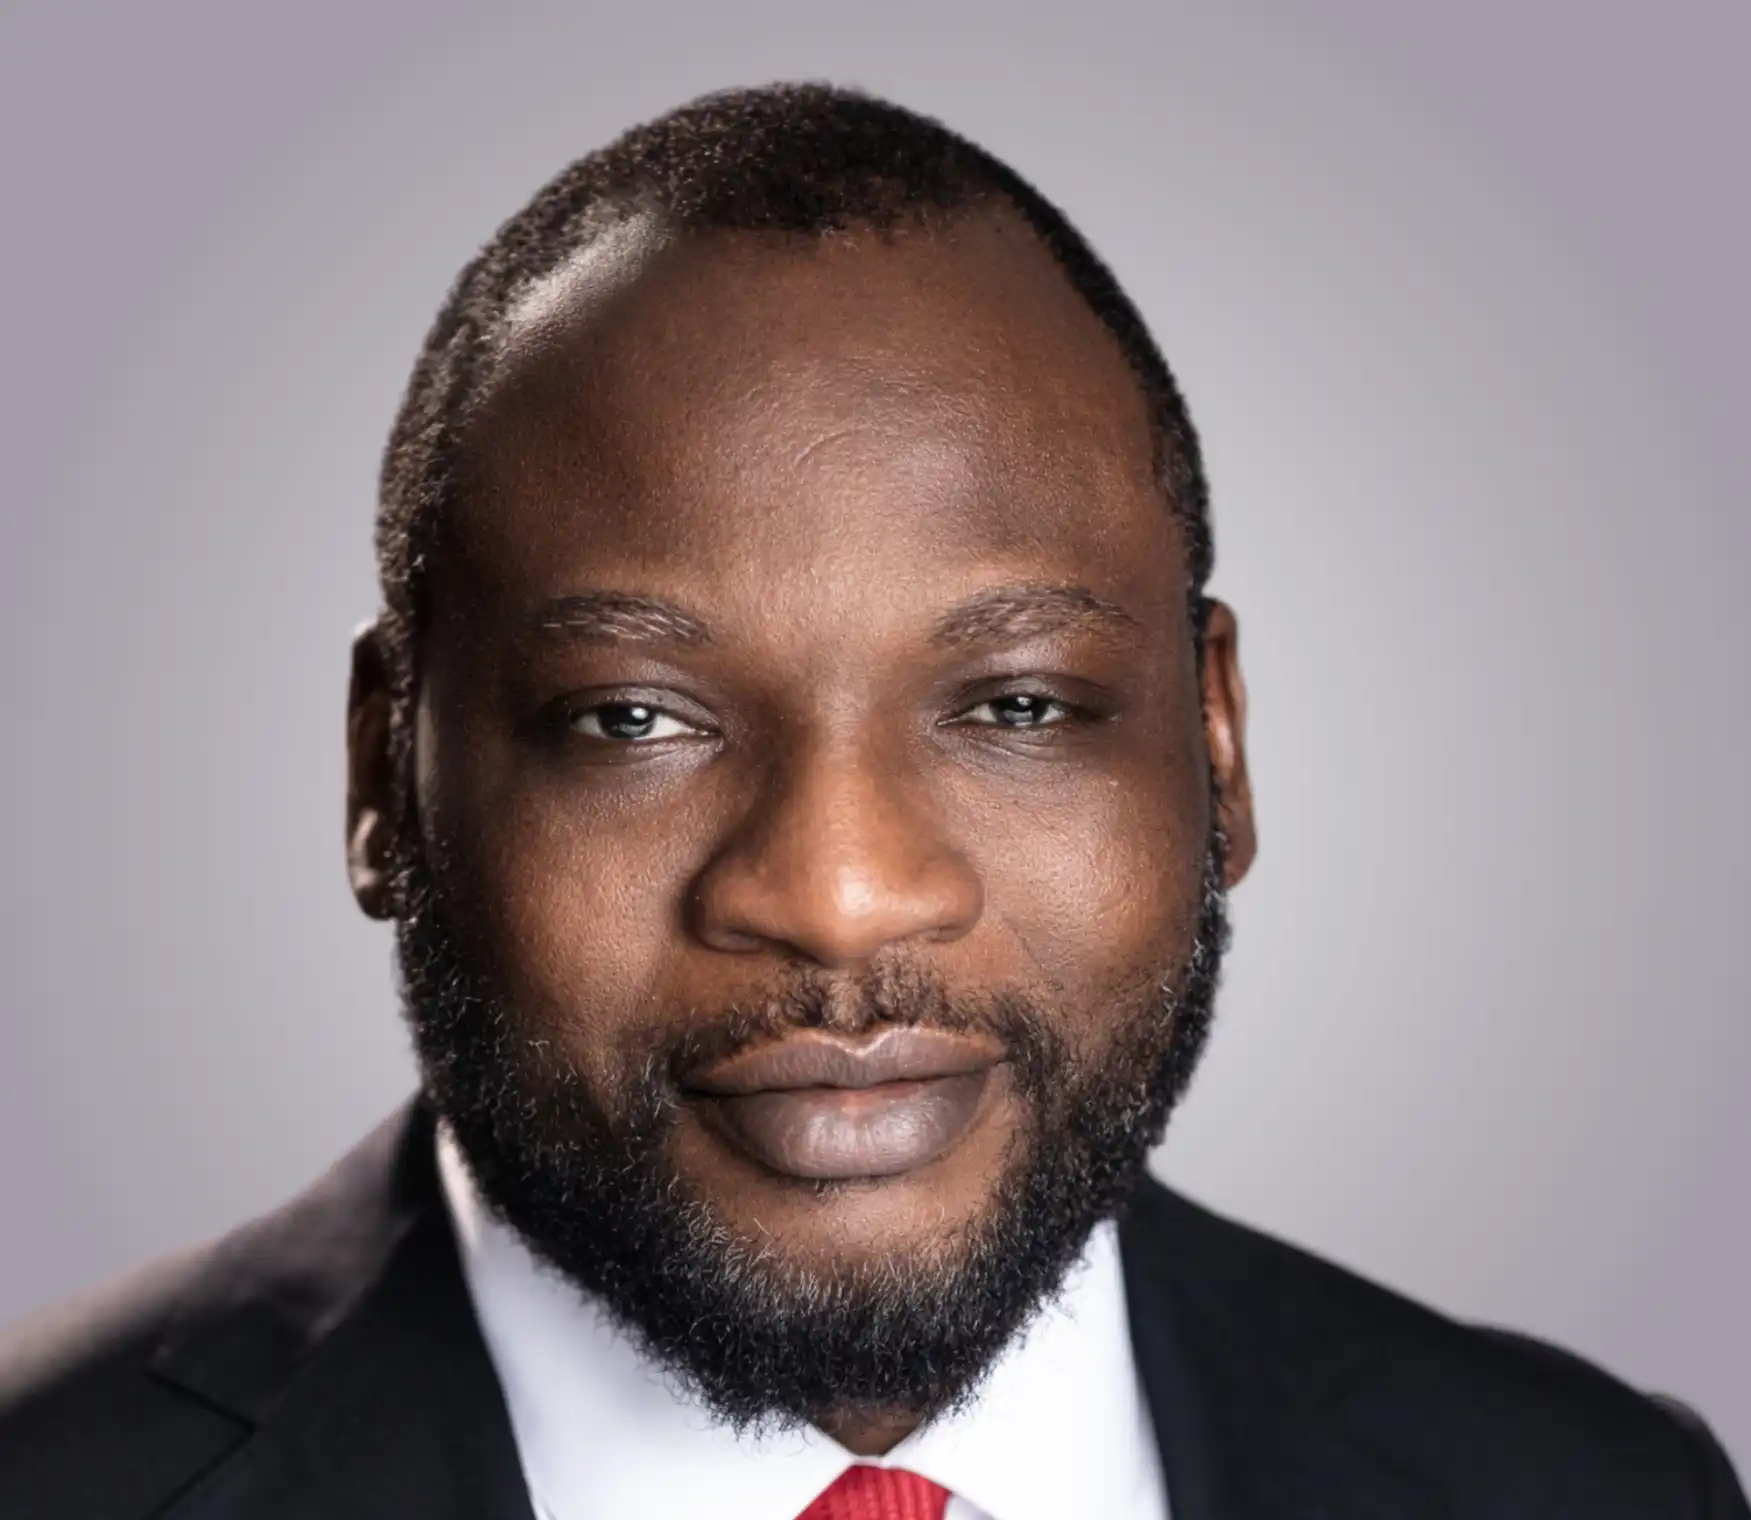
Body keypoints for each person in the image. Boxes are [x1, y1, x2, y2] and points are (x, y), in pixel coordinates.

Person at [0, 81, 1743, 1520]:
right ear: (385, 771)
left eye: (1017, 705)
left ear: (1215, 749)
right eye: (630, 718)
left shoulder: (1596, 1492)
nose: (837, 894)